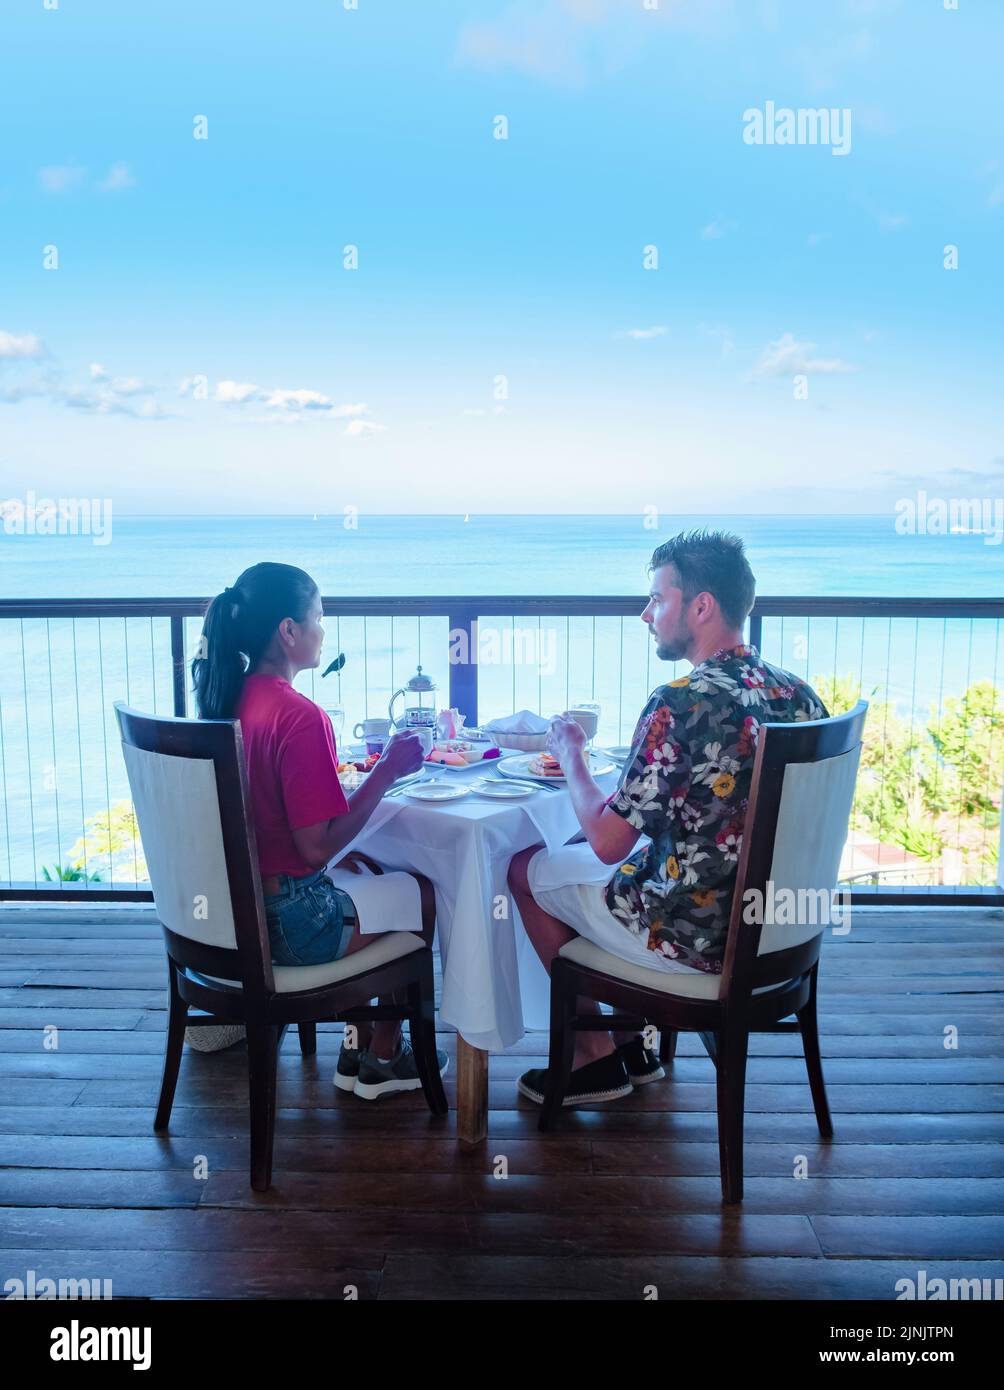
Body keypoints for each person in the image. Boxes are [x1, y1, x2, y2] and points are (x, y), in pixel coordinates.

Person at [508, 530, 828, 1106]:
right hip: (778, 934)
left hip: (695, 941)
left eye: (657, 599)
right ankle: (632, 1046)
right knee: (615, 864)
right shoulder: (799, 696)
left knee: (524, 870)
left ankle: (595, 1058)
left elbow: (607, 841)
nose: (645, 613)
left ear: (701, 606)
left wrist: (573, 756)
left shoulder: (680, 703)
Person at [191, 561, 447, 1099]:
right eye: (319, 618)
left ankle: (355, 1046)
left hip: (234, 920)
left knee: (364, 868)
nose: (323, 630)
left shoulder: (226, 700)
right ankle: (382, 1057)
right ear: (289, 632)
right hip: (291, 928)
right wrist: (387, 771)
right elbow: (316, 847)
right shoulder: (299, 716)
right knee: (420, 893)